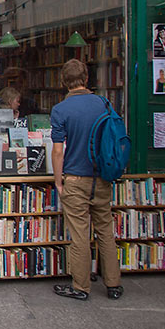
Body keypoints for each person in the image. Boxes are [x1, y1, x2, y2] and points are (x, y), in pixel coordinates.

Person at [50, 59, 123, 301]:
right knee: (105, 231)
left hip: (75, 178)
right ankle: (113, 284)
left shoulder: (61, 109)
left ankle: (80, 287)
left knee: (80, 235)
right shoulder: (104, 104)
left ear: (63, 82)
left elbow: (58, 150)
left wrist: (59, 181)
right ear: (87, 79)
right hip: (101, 177)